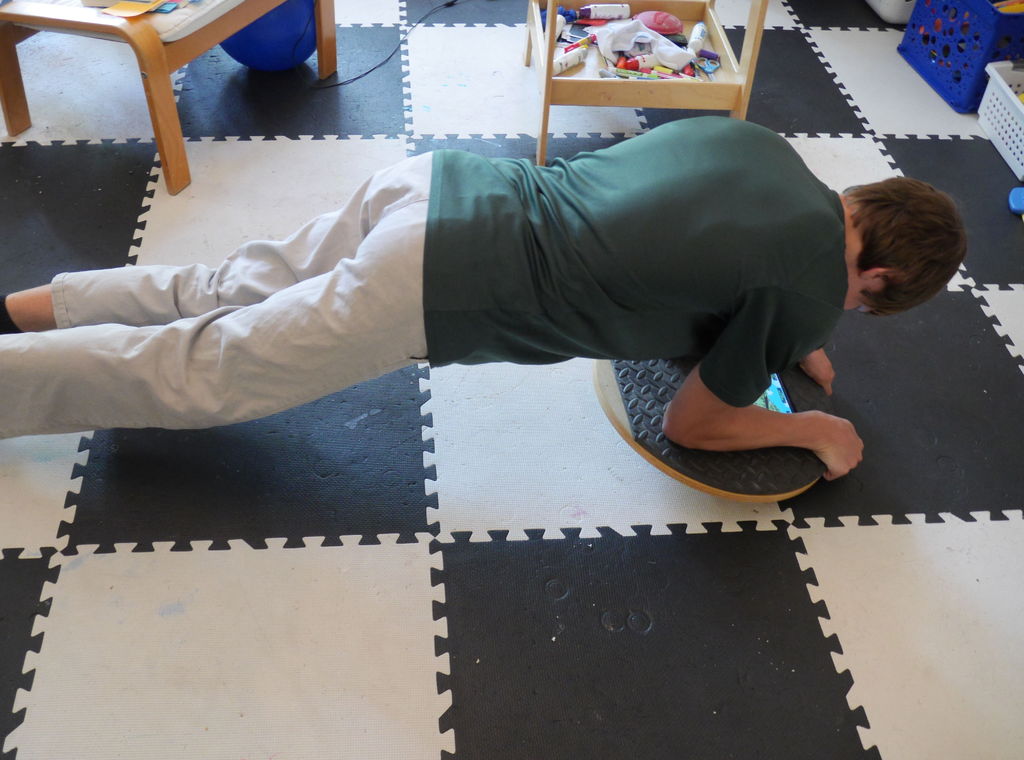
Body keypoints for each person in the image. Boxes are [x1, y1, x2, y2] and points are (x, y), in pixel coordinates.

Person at [0, 117, 966, 480]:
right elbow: (695, 424)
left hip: (438, 185)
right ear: (878, 277)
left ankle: (28, 307)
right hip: (439, 279)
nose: (844, 314)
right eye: (861, 305)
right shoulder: (807, 290)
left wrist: (789, 335)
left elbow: (704, 253)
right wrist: (811, 431)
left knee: (227, 285)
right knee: (206, 372)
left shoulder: (762, 148)